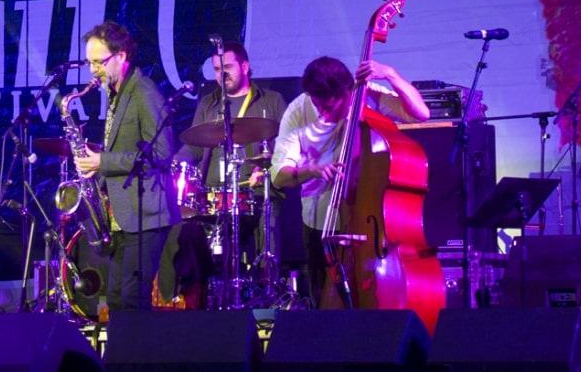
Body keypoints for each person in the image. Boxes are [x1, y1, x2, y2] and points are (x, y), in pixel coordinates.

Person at [271, 54, 428, 307]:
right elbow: (278, 175)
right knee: (322, 302)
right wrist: (312, 170)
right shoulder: (298, 110)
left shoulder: (365, 94)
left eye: (329, 107)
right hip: (320, 222)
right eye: (318, 106)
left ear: (347, 91)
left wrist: (390, 74)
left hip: (366, 217)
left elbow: (421, 113)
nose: (323, 114)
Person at [70, 20, 179, 313]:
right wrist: (97, 165)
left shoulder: (144, 92)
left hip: (147, 217)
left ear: (121, 56)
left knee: (132, 299)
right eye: (90, 63)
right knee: (117, 299)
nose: (93, 70)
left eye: (99, 62)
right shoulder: (116, 92)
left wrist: (103, 161)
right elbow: (129, 148)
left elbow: (162, 152)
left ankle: (138, 346)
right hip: (124, 217)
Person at [167, 40, 286, 307]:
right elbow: (194, 147)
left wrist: (265, 168)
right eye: (217, 69)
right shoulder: (208, 104)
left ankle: (268, 293)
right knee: (186, 227)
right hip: (213, 194)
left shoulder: (272, 101)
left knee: (269, 215)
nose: (222, 74)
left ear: (245, 66)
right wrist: (172, 163)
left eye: (228, 67)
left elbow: (287, 147)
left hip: (256, 190)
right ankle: (199, 298)